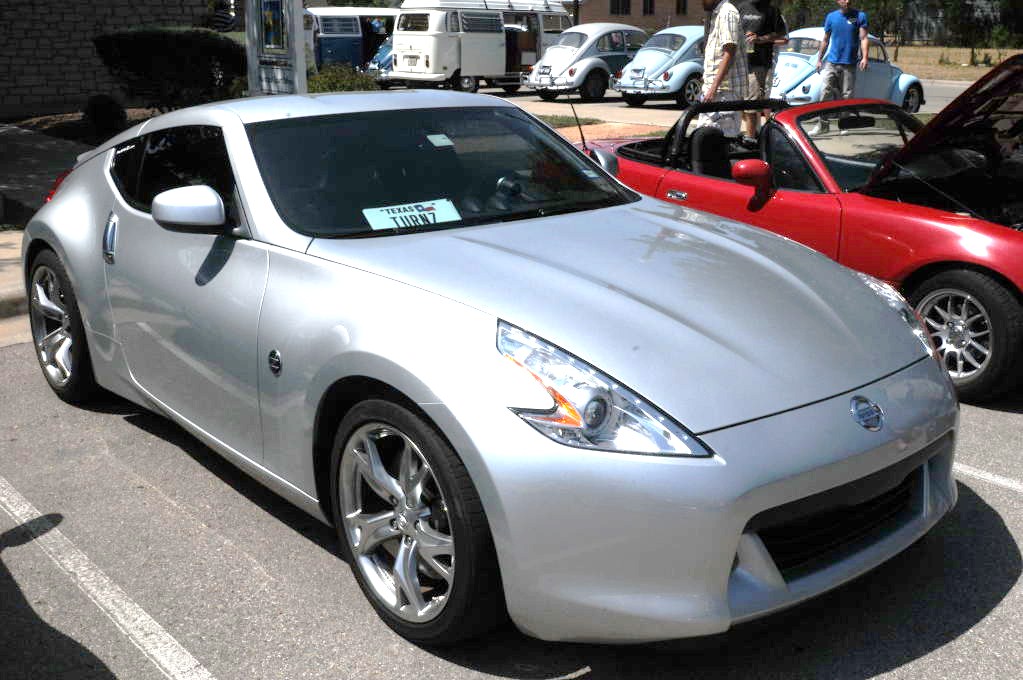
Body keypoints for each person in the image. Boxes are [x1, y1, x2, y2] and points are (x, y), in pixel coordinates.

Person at [696, 0, 748, 138]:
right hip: (717, 91)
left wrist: (713, 87)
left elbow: (729, 51)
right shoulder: (718, 14)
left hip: (724, 92)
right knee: (705, 139)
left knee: (720, 140)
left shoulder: (727, 13)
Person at [739, 0, 788, 136]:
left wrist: (760, 39)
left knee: (752, 104)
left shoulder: (771, 10)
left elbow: (780, 34)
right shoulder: (741, 7)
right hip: (739, 62)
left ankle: (752, 139)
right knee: (740, 104)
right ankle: (757, 132)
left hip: (759, 63)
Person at [817, 0, 868, 101]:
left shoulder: (860, 16)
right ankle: (823, 116)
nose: (848, 1)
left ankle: (844, 117)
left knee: (847, 95)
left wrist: (865, 58)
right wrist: (819, 59)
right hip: (832, 63)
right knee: (825, 90)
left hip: (849, 64)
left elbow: (863, 38)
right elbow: (825, 40)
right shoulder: (831, 17)